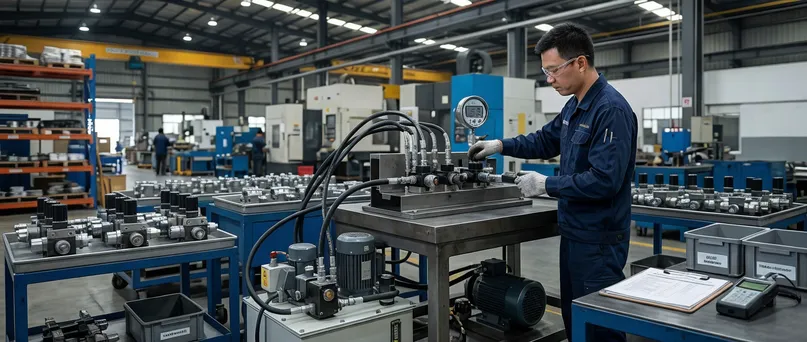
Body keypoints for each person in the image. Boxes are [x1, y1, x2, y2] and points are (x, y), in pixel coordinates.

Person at [468, 23, 637, 342]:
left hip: (598, 240)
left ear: (581, 63)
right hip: (575, 232)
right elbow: (544, 140)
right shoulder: (575, 105)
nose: (549, 79)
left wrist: (546, 185)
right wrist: (501, 145)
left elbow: (605, 181)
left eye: (554, 70)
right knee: (577, 322)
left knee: (599, 329)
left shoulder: (610, 110)